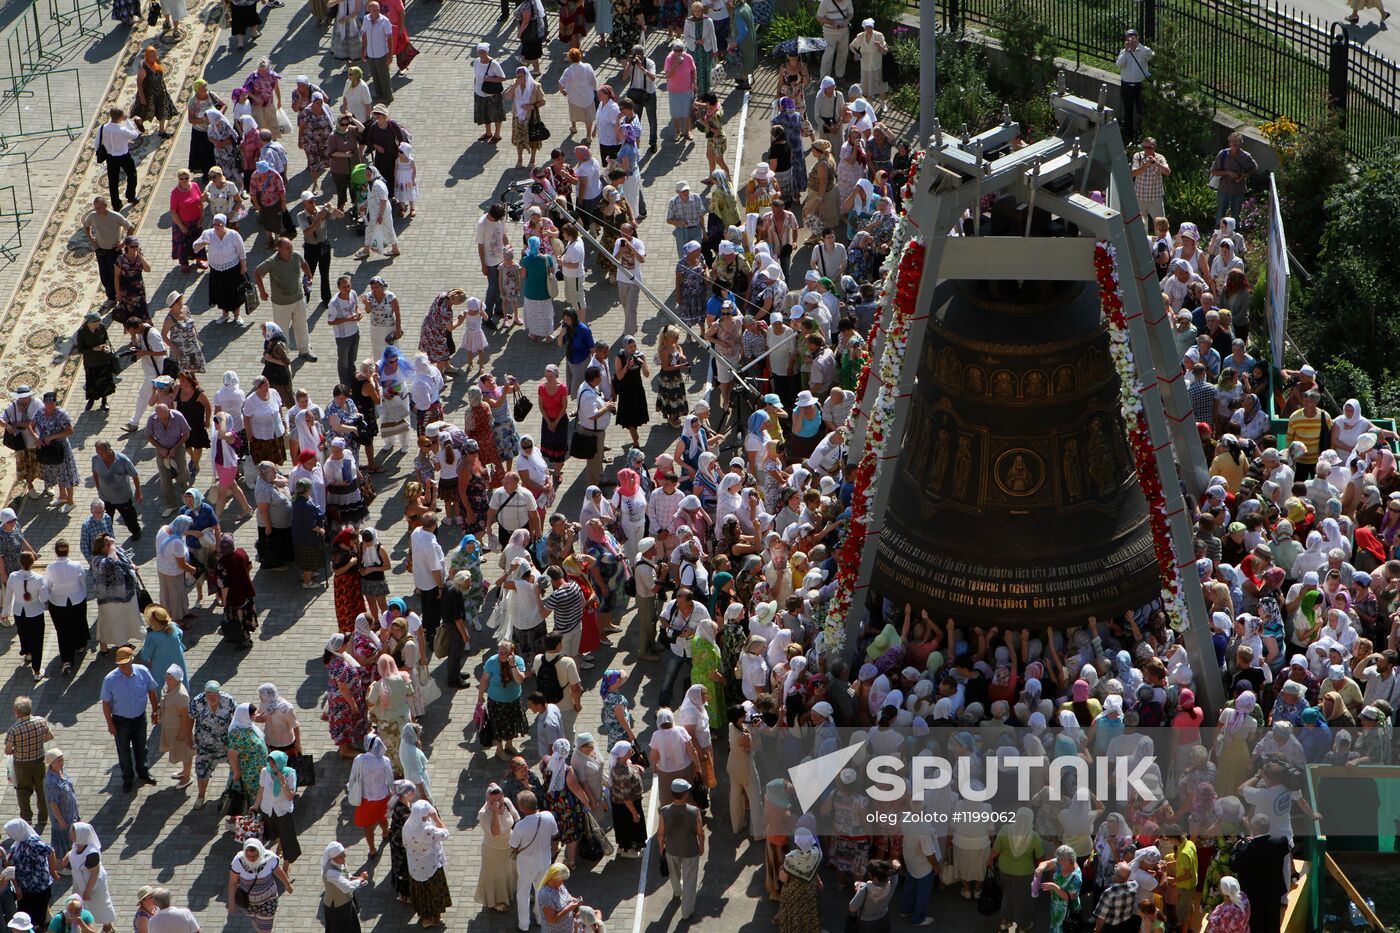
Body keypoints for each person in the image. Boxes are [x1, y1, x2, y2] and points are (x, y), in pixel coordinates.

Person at [99, 647, 159, 793]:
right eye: (120, 664)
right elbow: (106, 703)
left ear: (132, 659)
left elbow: (152, 690)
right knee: (124, 751)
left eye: (125, 663)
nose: (122, 667)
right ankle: (128, 779)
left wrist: (155, 710)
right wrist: (110, 724)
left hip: (140, 718)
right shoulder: (110, 679)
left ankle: (143, 772)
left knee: (141, 748)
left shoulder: (143, 671)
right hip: (121, 721)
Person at [509, 791, 560, 931]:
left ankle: (524, 924)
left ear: (523, 808)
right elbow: (555, 835)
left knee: (523, 892)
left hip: (526, 864)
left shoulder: (520, 826)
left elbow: (513, 845)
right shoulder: (548, 816)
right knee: (540, 890)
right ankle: (539, 918)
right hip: (544, 860)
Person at [656, 777, 705, 919]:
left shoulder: (664, 811)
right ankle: (686, 911)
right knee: (690, 880)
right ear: (685, 794)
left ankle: (677, 892)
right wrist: (701, 845)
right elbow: (700, 833)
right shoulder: (694, 811)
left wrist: (661, 848)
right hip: (690, 851)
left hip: (671, 849)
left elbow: (660, 833)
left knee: (674, 874)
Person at [5, 699, 53, 835]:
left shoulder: (13, 730)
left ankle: (27, 819)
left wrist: (18, 749)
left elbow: (8, 751)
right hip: (39, 761)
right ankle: (43, 818)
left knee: (23, 792)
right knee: (41, 790)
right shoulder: (40, 721)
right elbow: (49, 736)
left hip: (21, 765)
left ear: (18, 712)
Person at [401, 800, 452, 926]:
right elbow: (445, 834)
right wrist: (436, 818)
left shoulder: (407, 825)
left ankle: (424, 916)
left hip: (415, 865)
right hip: (431, 866)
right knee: (433, 893)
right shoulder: (428, 830)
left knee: (421, 893)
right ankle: (431, 919)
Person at [226, 839, 292, 931]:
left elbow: (277, 871)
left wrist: (287, 884)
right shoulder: (238, 861)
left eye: (255, 856)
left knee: (265, 930)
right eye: (249, 856)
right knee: (257, 924)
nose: (252, 859)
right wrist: (231, 902)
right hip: (248, 903)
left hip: (268, 900)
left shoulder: (270, 858)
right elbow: (233, 883)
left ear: (261, 852)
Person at [97, 110, 142, 215]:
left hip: (110, 158)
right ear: (121, 117)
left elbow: (97, 143)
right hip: (123, 156)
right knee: (132, 174)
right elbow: (135, 135)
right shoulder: (123, 130)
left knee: (112, 181)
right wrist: (128, 121)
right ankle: (131, 196)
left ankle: (116, 205)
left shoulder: (102, 128)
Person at [1211, 132, 1258, 226]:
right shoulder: (1223, 154)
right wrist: (1228, 172)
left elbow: (1254, 167)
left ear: (1241, 143)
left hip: (1238, 190)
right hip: (1224, 189)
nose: (1235, 144)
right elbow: (1213, 172)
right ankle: (1218, 234)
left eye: (1237, 141)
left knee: (1235, 216)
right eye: (1233, 141)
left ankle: (1235, 236)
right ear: (1229, 142)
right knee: (1220, 214)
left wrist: (1244, 176)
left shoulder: (1246, 156)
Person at [320, 843, 368, 933]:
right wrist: (361, 879)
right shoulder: (331, 872)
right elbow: (347, 887)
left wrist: (357, 878)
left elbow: (346, 875)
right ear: (334, 858)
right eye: (342, 855)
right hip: (337, 907)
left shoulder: (340, 862)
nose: (345, 856)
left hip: (345, 902)